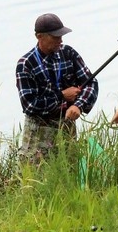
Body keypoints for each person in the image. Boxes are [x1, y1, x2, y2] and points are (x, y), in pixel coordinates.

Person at [15, 13, 99, 163]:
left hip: (67, 126)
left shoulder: (69, 53)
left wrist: (78, 106)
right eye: (55, 37)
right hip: (38, 132)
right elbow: (29, 105)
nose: (60, 40)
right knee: (38, 176)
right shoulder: (26, 64)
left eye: (61, 35)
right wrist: (61, 96)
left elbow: (91, 83)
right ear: (39, 36)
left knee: (69, 171)